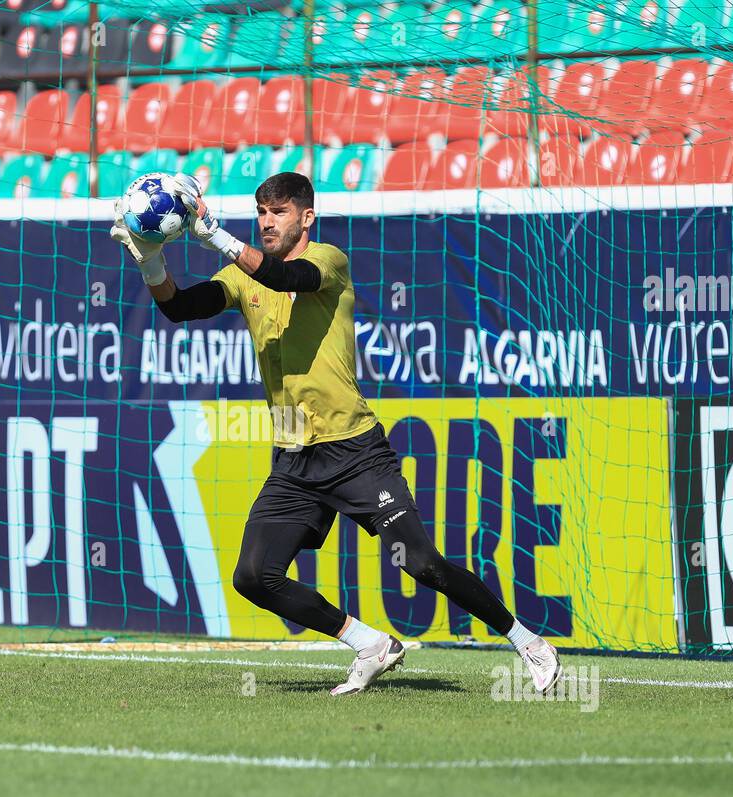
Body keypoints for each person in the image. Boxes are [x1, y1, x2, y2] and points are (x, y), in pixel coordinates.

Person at [112, 171, 561, 696]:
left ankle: (529, 641)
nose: (266, 222)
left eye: (278, 212)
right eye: (261, 213)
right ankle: (371, 643)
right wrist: (150, 259)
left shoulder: (328, 260)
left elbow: (286, 278)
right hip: (294, 461)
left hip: (355, 454)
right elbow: (178, 307)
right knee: (254, 577)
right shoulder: (243, 276)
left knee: (423, 564)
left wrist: (215, 235)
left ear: (306, 217)